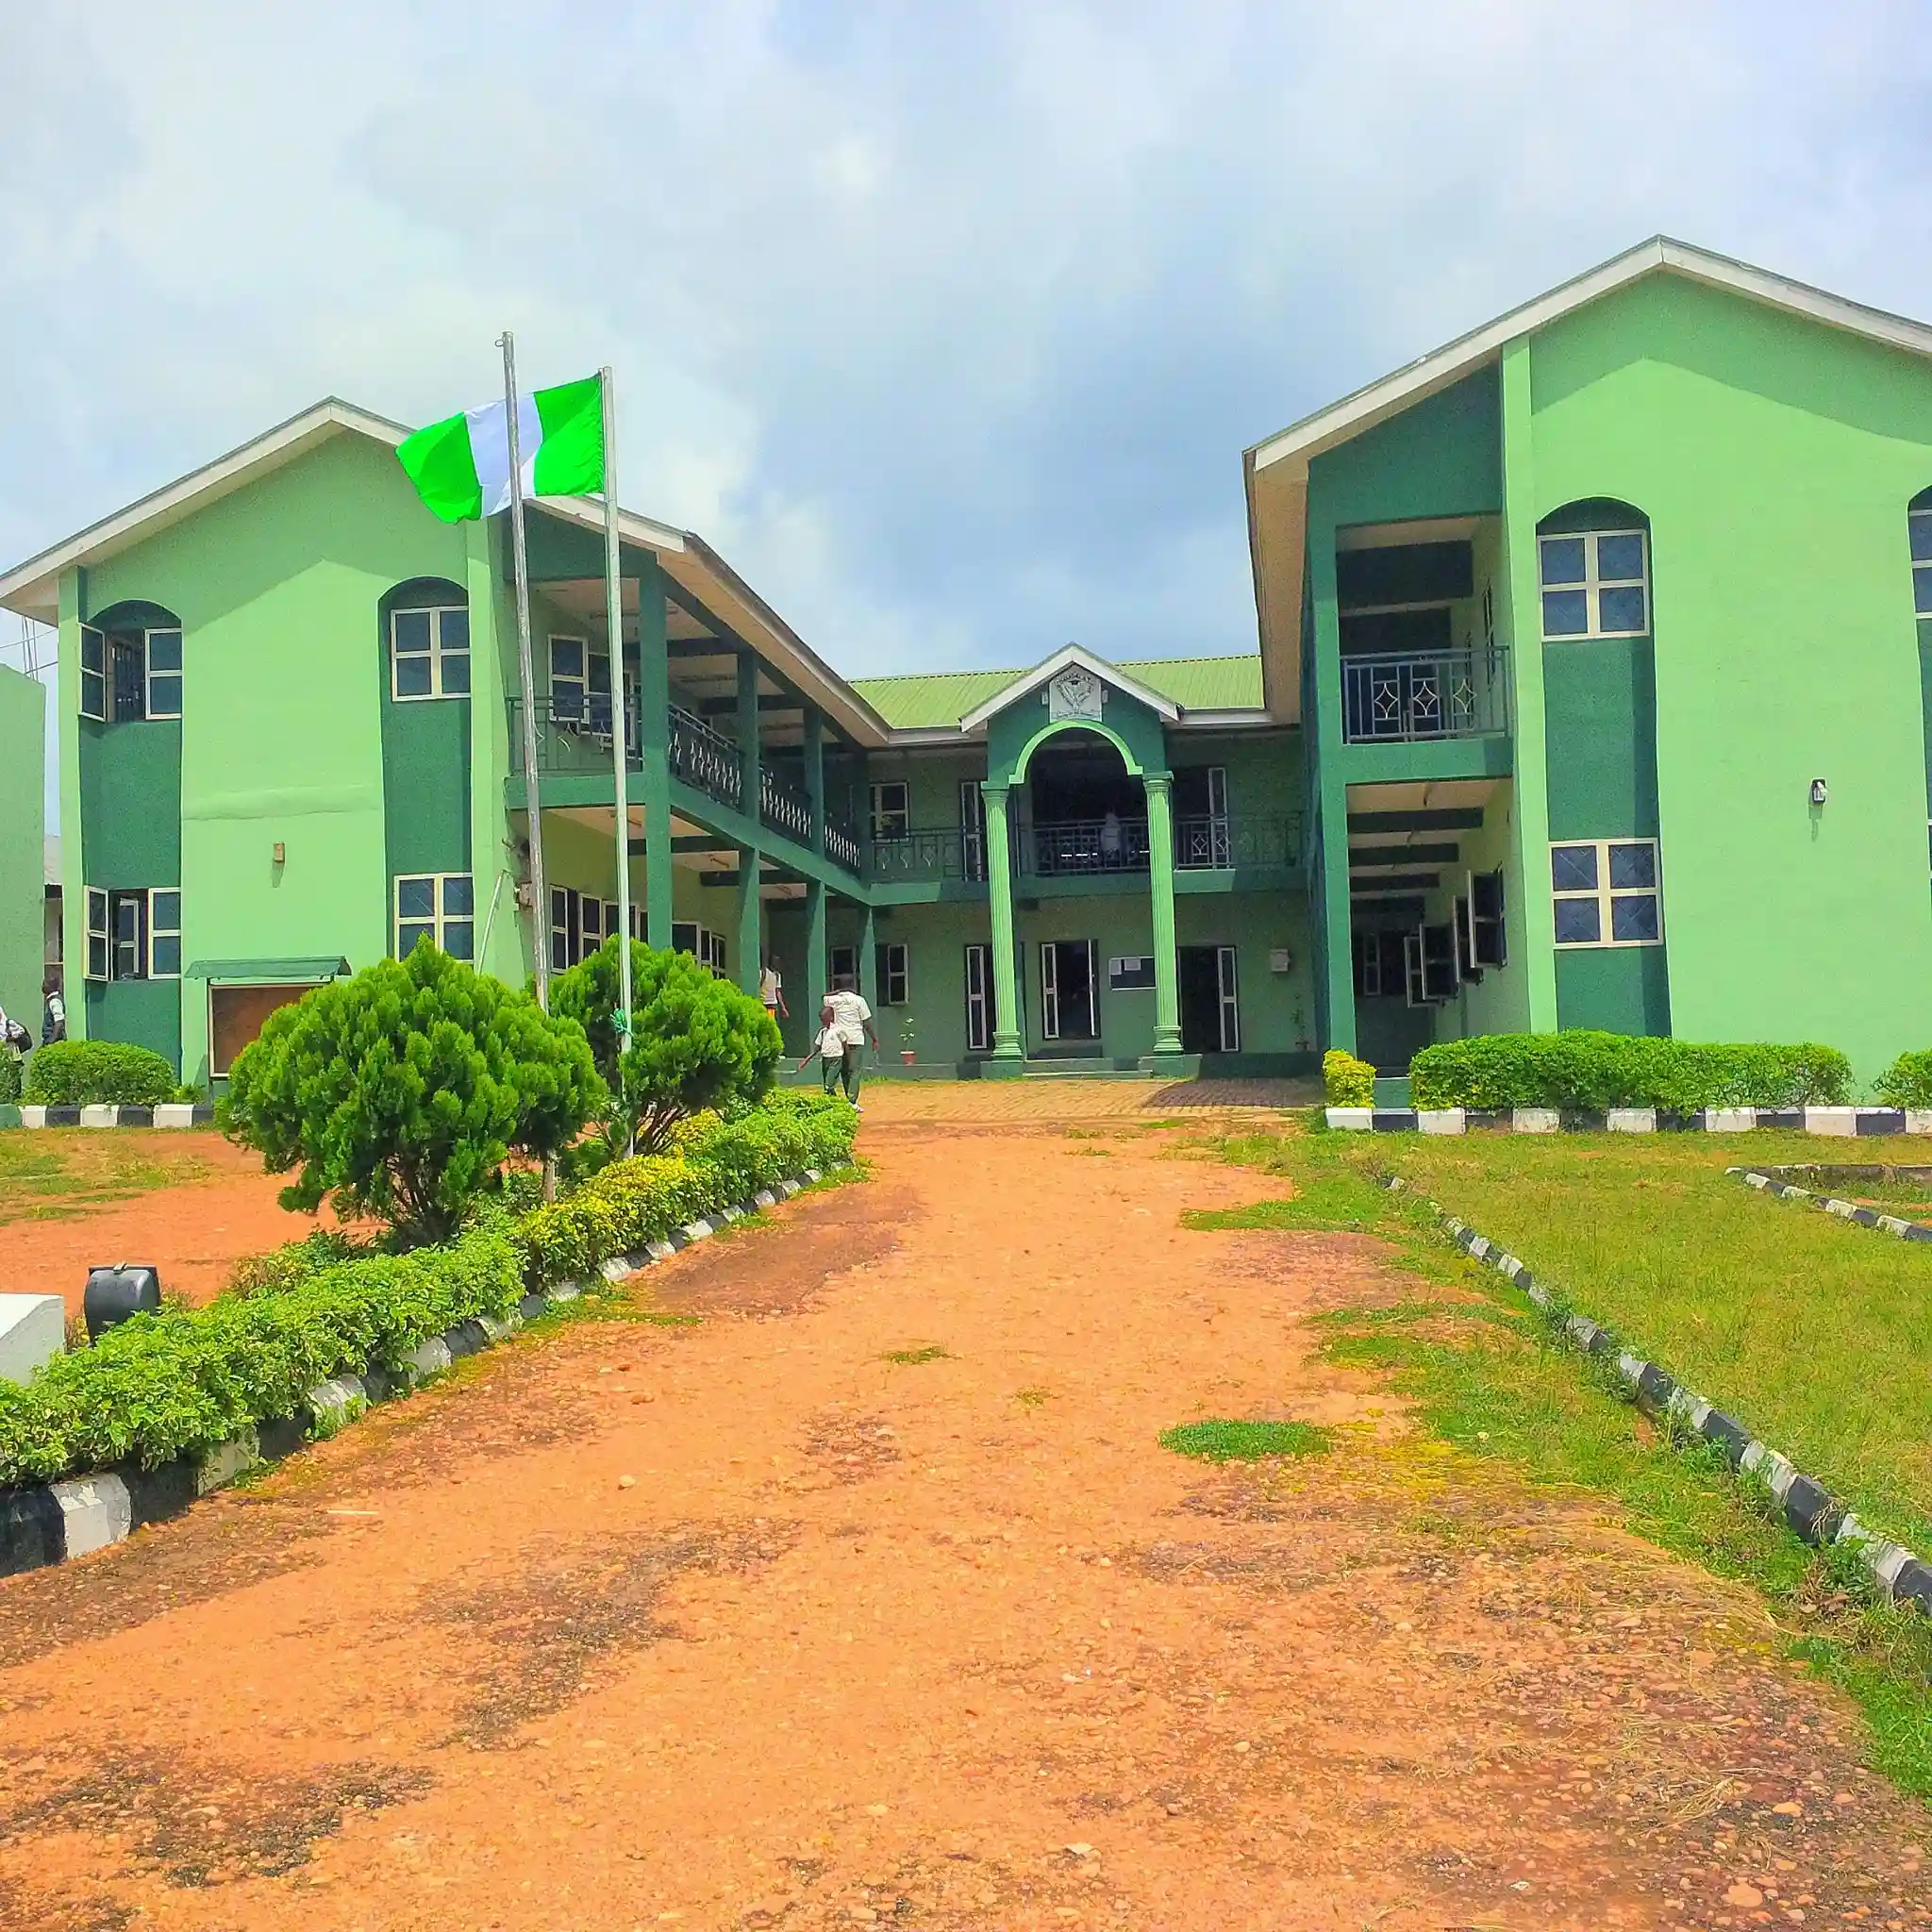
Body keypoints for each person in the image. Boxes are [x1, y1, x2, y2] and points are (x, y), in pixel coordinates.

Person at [822, 972, 877, 1109]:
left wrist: (839, 991)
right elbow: (866, 1022)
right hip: (856, 1039)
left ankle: (838, 1095)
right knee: (855, 1071)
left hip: (840, 1039)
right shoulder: (859, 1000)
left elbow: (824, 996)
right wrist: (874, 1038)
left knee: (844, 1069)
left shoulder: (834, 1000)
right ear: (853, 985)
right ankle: (852, 1101)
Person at [797, 1001, 849, 1101]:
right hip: (825, 1060)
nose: (822, 1021)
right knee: (826, 1086)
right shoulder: (822, 1032)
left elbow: (845, 1046)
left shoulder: (838, 1030)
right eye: (821, 1019)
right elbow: (817, 1048)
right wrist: (806, 1060)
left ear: (831, 1017)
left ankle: (834, 1101)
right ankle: (833, 1102)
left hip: (836, 1059)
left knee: (828, 1085)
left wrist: (848, 1061)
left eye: (824, 1018)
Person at [758, 953, 787, 1024]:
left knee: (772, 1025)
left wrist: (783, 1007)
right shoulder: (763, 972)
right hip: (763, 1004)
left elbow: (778, 992)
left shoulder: (777, 975)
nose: (778, 964)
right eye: (776, 962)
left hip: (773, 1005)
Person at [42, 980, 64, 1045]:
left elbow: (59, 1022)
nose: (43, 986)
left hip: (56, 1042)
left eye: (45, 984)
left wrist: (52, 1040)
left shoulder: (55, 1001)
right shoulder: (50, 1000)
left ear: (51, 986)